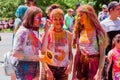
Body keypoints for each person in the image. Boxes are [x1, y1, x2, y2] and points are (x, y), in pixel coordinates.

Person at [12, 6, 50, 80]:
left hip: (34, 66)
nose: (41, 20)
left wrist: (46, 31)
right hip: (23, 67)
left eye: (41, 18)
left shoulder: (32, 32)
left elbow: (43, 49)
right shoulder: (23, 32)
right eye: (38, 18)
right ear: (30, 17)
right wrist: (37, 57)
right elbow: (16, 54)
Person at [72, 4, 108, 80]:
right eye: (78, 16)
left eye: (81, 15)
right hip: (81, 67)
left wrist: (99, 72)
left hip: (95, 66)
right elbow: (78, 54)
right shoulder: (79, 32)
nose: (79, 18)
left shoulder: (99, 33)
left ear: (89, 15)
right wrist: (73, 73)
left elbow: (102, 55)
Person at [41, 8, 73, 80]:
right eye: (55, 19)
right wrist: (47, 70)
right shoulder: (47, 34)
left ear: (64, 20)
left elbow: (70, 53)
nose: (58, 21)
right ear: (51, 20)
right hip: (49, 68)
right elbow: (41, 53)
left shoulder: (69, 35)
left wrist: (70, 64)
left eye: (60, 19)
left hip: (63, 70)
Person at [101, 1, 120, 80]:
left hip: (119, 56)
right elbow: (102, 43)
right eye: (118, 9)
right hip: (109, 56)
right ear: (111, 10)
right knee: (108, 76)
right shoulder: (103, 24)